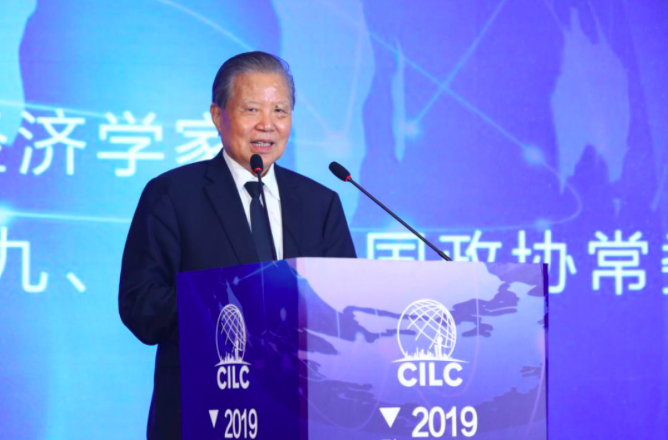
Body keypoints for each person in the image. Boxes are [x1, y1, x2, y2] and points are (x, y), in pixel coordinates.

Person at [118, 51, 356, 440]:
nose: (267, 124)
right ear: (218, 116)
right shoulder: (172, 195)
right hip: (204, 413)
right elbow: (140, 304)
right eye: (251, 109)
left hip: (303, 416)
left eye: (280, 111)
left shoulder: (320, 204)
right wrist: (225, 309)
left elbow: (344, 305)